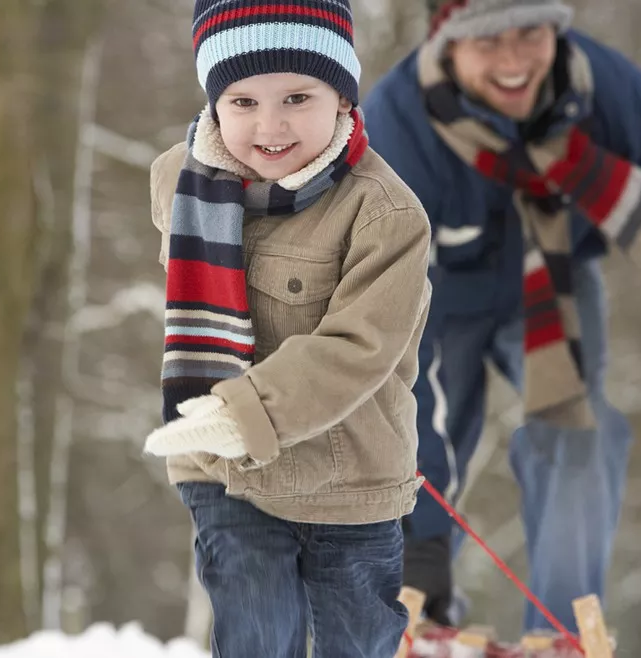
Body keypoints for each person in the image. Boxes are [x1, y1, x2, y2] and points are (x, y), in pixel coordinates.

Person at [361, 0, 641, 636]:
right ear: (446, 40)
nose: (513, 62)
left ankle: (560, 634)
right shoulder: (398, 129)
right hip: (430, 303)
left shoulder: (607, 95)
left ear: (556, 29)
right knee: (426, 448)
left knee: (582, 439)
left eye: (530, 33)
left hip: (553, 281)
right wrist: (419, 529)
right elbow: (388, 345)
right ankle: (411, 611)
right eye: (488, 41)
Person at [141, 1, 433, 655]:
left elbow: (360, 348)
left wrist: (242, 411)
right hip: (224, 471)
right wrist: (214, 420)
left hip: (349, 481)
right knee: (256, 629)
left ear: (341, 96)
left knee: (354, 642)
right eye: (242, 101)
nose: (269, 126)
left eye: (297, 97)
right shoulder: (179, 183)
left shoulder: (385, 214)